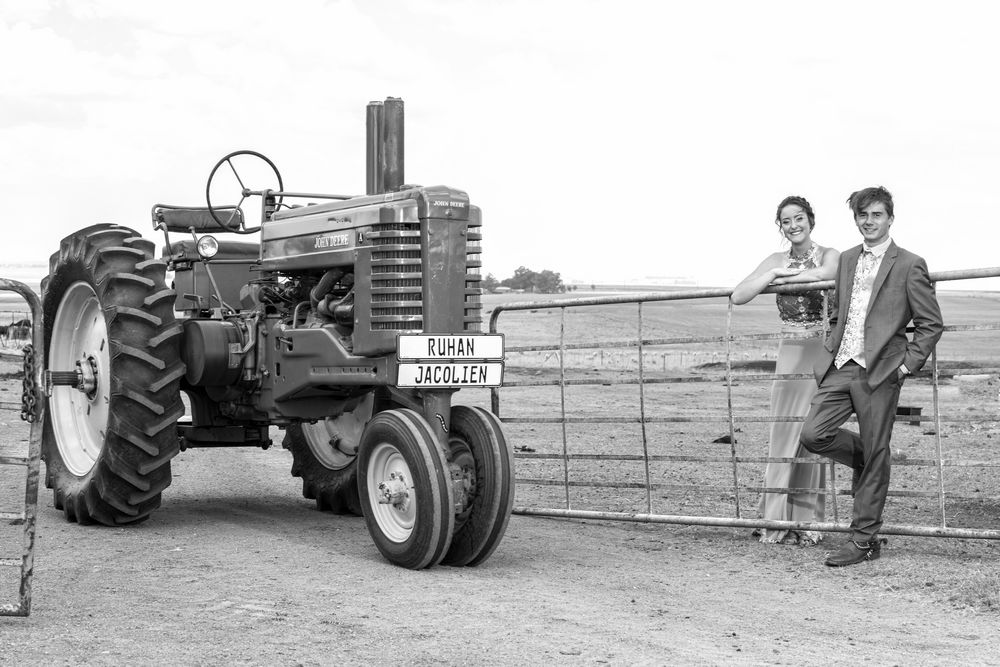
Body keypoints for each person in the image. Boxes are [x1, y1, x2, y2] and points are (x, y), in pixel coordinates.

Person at [799, 186, 943, 567]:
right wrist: (831, 346)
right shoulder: (847, 259)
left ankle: (863, 540)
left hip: (881, 372)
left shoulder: (910, 264)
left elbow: (930, 324)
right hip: (840, 366)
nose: (869, 221)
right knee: (813, 434)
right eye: (862, 215)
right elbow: (840, 312)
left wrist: (905, 366)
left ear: (890, 218)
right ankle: (871, 459)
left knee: (877, 449)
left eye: (876, 214)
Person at [732, 195, 840, 545]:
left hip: (820, 352)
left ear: (811, 220)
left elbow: (828, 274)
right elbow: (739, 295)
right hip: (790, 353)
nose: (793, 226)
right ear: (780, 226)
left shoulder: (830, 254)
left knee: (812, 435)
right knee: (783, 433)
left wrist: (788, 277)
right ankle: (775, 517)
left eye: (799, 218)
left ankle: (806, 520)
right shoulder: (775, 260)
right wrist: (774, 274)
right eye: (786, 221)